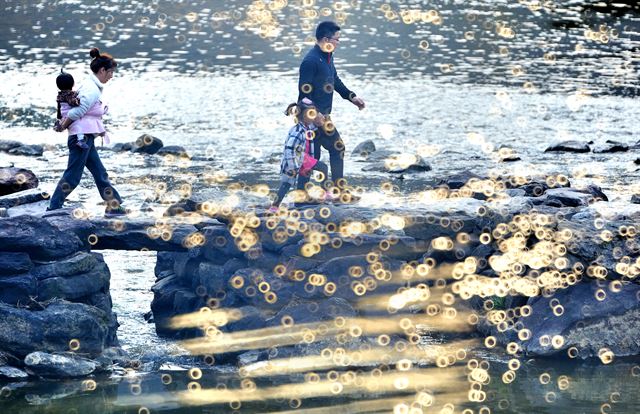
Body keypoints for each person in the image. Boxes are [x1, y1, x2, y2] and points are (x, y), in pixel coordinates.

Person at [48, 47, 126, 216]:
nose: (112, 76)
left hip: (86, 137)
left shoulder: (91, 85)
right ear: (102, 70)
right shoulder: (91, 89)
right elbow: (77, 112)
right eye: (111, 72)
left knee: (99, 172)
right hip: (80, 139)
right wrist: (63, 126)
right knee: (73, 176)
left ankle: (113, 205)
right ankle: (53, 207)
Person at [298, 20, 365, 193]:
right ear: (326, 39)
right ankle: (304, 195)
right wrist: (315, 115)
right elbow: (303, 95)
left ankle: (335, 191)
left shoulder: (327, 57)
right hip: (310, 118)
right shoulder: (310, 61)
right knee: (315, 156)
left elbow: (334, 80)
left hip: (323, 117)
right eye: (337, 39)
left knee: (333, 150)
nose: (338, 43)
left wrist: (352, 97)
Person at [270, 98, 330, 211]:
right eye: (310, 114)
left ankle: (300, 202)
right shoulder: (297, 131)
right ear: (302, 116)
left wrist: (321, 119)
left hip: (304, 158)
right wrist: (292, 166)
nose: (313, 116)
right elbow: (289, 149)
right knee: (286, 183)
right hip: (296, 160)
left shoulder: (307, 126)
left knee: (304, 179)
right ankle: (274, 206)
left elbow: (317, 125)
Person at [54, 70, 88, 150]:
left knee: (72, 127)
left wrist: (59, 117)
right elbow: (73, 103)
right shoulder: (70, 95)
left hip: (63, 115)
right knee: (79, 126)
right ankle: (80, 140)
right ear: (72, 84)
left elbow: (59, 107)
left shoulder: (59, 95)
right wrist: (78, 101)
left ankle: (58, 124)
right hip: (69, 115)